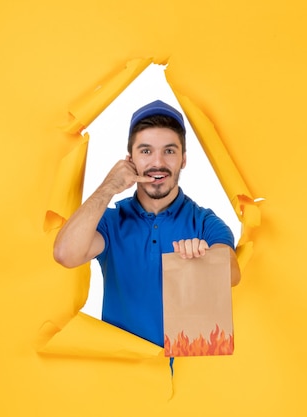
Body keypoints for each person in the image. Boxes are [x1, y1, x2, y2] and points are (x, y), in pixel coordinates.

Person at [53, 99, 241, 347]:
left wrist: (205, 257)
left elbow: (233, 273)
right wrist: (109, 187)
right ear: (130, 160)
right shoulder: (110, 223)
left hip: (190, 378)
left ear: (183, 159)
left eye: (169, 151)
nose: (158, 162)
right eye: (146, 151)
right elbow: (65, 254)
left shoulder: (205, 222)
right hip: (127, 375)